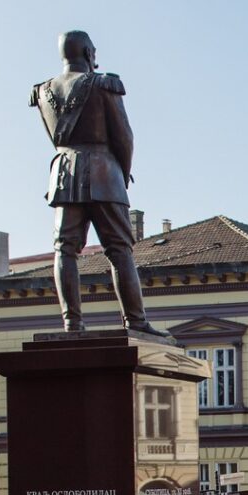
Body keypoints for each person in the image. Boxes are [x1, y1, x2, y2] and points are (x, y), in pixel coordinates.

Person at [31, 31, 163, 334]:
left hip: (63, 173)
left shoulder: (41, 91)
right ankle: (136, 321)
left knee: (64, 249)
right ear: (90, 53)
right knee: (119, 248)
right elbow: (124, 136)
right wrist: (122, 172)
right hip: (104, 171)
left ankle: (72, 323)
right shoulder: (104, 84)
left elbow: (53, 138)